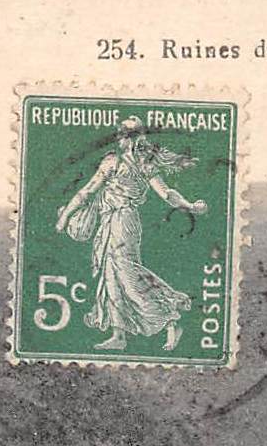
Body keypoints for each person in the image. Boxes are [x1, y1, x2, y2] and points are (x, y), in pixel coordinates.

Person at [54, 117, 209, 351]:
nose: (123, 139)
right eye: (123, 134)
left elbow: (165, 193)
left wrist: (190, 206)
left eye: (126, 135)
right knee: (111, 276)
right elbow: (88, 191)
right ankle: (119, 335)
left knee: (126, 273)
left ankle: (169, 319)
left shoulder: (134, 164)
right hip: (110, 221)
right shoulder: (122, 163)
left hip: (123, 221)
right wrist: (65, 216)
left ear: (132, 138)